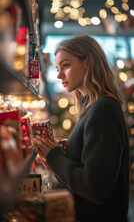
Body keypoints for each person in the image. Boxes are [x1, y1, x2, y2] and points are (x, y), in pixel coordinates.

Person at [33, 35, 129, 222]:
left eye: (66, 65)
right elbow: (89, 171)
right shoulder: (92, 108)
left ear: (87, 62)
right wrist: (57, 166)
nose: (59, 75)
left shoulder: (102, 110)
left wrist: (55, 156)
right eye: (58, 69)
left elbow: (95, 189)